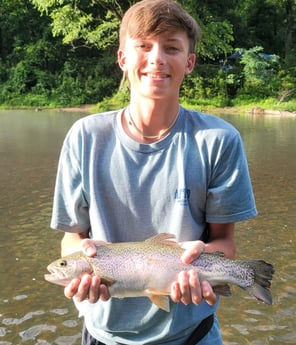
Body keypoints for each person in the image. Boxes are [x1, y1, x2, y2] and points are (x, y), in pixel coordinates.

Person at [50, 0, 257, 344]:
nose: (157, 58)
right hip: (103, 335)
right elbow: (70, 238)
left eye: (171, 48)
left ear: (189, 62)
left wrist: (201, 259)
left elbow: (225, 242)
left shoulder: (219, 141)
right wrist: (82, 250)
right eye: (143, 46)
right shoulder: (84, 138)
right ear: (122, 59)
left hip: (192, 334)